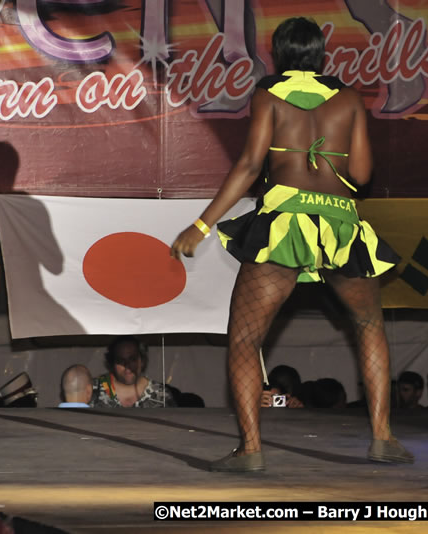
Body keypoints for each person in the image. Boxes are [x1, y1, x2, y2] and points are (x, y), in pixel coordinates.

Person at [171, 17, 411, 471]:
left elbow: (247, 166)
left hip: (285, 224)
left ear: (277, 55)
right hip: (340, 225)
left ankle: (251, 451)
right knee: (368, 326)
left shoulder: (268, 95)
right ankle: (383, 438)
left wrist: (201, 227)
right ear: (322, 55)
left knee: (244, 338)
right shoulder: (349, 99)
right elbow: (360, 176)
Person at [91, 336, 176, 408]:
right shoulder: (94, 388)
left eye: (132, 359)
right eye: (120, 360)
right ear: (112, 363)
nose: (127, 365)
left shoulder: (160, 394)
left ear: (142, 361)